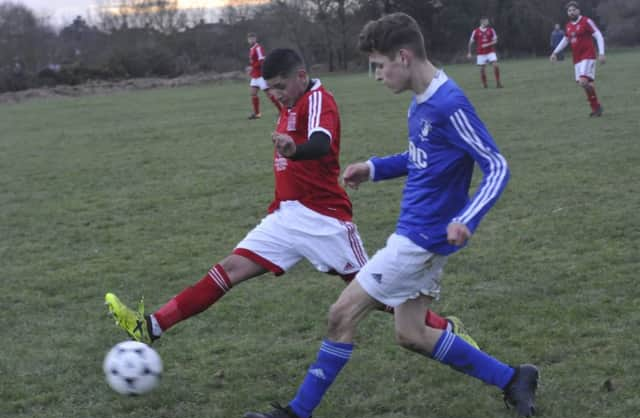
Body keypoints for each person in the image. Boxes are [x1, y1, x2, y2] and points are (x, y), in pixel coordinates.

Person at [244, 13, 538, 418]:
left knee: (341, 315)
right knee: (411, 333)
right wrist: (374, 167)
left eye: (379, 66)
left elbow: (496, 165)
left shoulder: (448, 104)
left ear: (403, 57)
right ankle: (514, 378)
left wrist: (467, 218)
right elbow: (423, 158)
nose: (377, 76)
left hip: (419, 240)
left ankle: (295, 417)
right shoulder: (422, 103)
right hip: (417, 234)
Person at [105, 49, 477, 352]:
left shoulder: (319, 100)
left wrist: (294, 149)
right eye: (270, 89)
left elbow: (321, 143)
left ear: (301, 75)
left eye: (281, 86)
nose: (275, 94)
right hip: (285, 216)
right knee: (228, 270)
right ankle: (151, 326)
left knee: (378, 295)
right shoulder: (288, 102)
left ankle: (446, 331)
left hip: (323, 219)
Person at [550, 1, 606, 117]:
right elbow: (565, 40)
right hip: (577, 59)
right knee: (586, 85)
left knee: (583, 82)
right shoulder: (569, 26)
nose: (571, 12)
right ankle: (596, 108)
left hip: (588, 56)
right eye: (569, 11)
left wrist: (601, 53)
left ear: (578, 10)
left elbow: (598, 35)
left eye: (573, 10)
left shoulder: (586, 21)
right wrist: (555, 52)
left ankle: (596, 106)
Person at [247, 32, 281, 119]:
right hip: (255, 75)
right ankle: (257, 114)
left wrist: (253, 67)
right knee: (253, 93)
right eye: (249, 38)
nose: (251, 40)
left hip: (261, 75)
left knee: (269, 94)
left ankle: (282, 111)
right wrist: (252, 70)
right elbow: (253, 62)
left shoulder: (258, 48)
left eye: (252, 38)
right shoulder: (251, 49)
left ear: (255, 39)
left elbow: (262, 61)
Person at [467, 17, 503, 88]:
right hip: (480, 53)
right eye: (486, 21)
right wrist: (469, 52)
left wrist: (488, 44)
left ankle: (498, 83)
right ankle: (484, 84)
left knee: (496, 65)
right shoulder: (476, 31)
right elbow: (470, 42)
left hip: (490, 52)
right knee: (482, 70)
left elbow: (495, 41)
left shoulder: (491, 30)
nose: (488, 22)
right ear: (482, 22)